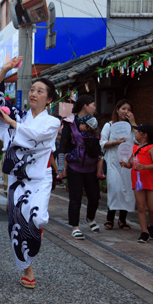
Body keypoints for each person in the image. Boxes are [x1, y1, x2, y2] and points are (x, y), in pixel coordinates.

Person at [0, 56, 59, 289]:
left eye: (40, 91)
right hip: (18, 179)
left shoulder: (53, 122)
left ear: (49, 99)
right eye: (32, 90)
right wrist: (5, 70)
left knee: (37, 218)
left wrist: (13, 123)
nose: (33, 94)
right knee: (17, 221)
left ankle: (35, 231)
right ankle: (27, 268)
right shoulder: (18, 115)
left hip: (40, 178)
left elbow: (35, 135)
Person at [60, 95, 101, 240]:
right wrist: (61, 168)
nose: (94, 108)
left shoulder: (95, 122)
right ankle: (75, 226)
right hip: (75, 167)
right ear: (85, 106)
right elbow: (63, 146)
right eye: (93, 105)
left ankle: (90, 218)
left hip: (91, 166)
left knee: (95, 196)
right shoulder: (70, 121)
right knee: (75, 197)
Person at [100, 99, 137, 230]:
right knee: (114, 188)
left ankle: (123, 220)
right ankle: (109, 219)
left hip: (127, 163)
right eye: (123, 109)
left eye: (128, 109)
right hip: (113, 162)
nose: (126, 112)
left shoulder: (133, 128)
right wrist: (115, 143)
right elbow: (102, 143)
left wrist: (133, 123)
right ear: (117, 109)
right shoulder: (109, 126)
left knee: (126, 190)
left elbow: (139, 140)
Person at [120, 123, 153, 243]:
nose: (135, 135)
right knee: (141, 207)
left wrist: (145, 167)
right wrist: (126, 165)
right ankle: (144, 232)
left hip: (150, 180)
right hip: (138, 181)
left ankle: (151, 226)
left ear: (144, 135)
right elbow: (131, 164)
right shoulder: (134, 148)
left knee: (152, 208)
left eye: (137, 133)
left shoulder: (151, 147)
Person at [57, 116, 105, 180]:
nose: (80, 125)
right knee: (101, 159)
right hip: (93, 157)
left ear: (88, 127)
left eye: (82, 124)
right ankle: (99, 173)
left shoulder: (80, 135)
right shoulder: (96, 135)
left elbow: (73, 142)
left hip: (78, 157)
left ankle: (64, 172)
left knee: (65, 156)